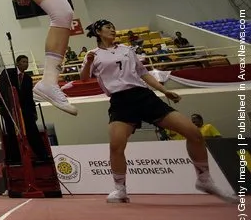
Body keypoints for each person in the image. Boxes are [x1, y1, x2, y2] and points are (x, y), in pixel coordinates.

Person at [80, 20, 235, 204]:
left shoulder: (127, 49)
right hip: (120, 102)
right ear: (98, 31)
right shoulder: (93, 55)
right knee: (116, 146)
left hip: (144, 97)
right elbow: (84, 78)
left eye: (114, 27)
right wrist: (88, 63)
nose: (113, 30)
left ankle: (204, 180)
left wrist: (164, 91)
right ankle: (120, 189)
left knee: (193, 133)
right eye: (108, 27)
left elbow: (143, 73)